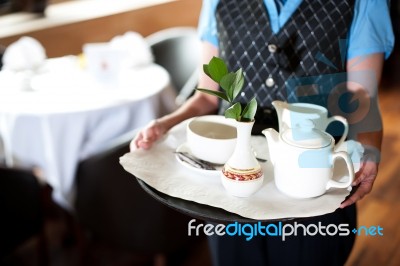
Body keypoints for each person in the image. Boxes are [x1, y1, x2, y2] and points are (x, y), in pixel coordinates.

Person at [132, 0, 394, 265]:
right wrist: (165, 123)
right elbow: (208, 97)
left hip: (313, 186)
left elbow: (361, 96)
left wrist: (369, 149)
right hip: (231, 189)